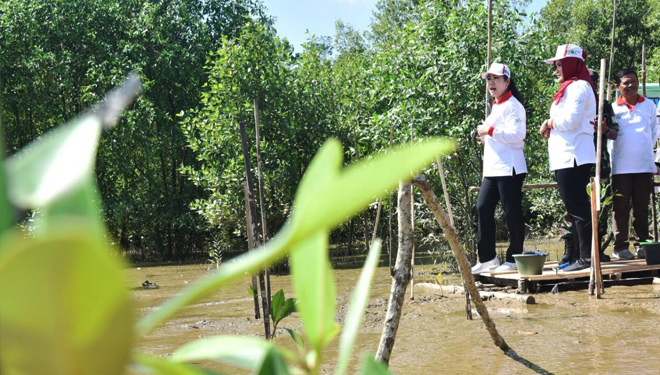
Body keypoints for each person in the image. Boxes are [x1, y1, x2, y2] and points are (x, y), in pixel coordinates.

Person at [539, 44, 597, 272]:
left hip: (575, 156)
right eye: (555, 65)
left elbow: (570, 121)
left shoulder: (579, 87)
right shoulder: (569, 88)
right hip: (565, 156)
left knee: (579, 210)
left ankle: (586, 260)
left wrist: (548, 123)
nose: (556, 69)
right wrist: (551, 124)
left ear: (573, 63)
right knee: (574, 210)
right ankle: (579, 257)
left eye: (559, 64)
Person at [471, 62, 527, 274]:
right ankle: (487, 258)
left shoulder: (514, 105)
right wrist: (485, 137)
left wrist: (490, 130)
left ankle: (514, 258)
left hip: (509, 168)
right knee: (482, 207)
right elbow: (500, 136)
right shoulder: (496, 105)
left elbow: (518, 136)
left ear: (507, 81)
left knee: (511, 212)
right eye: (488, 79)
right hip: (493, 169)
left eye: (496, 78)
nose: (491, 82)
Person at [598, 68, 659, 259]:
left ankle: (642, 244)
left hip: (644, 165)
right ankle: (620, 247)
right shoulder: (612, 108)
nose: (631, 85)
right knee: (620, 208)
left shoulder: (649, 105)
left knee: (641, 207)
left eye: (633, 81)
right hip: (620, 167)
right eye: (626, 82)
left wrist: (649, 156)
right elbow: (609, 136)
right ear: (617, 87)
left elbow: (654, 132)